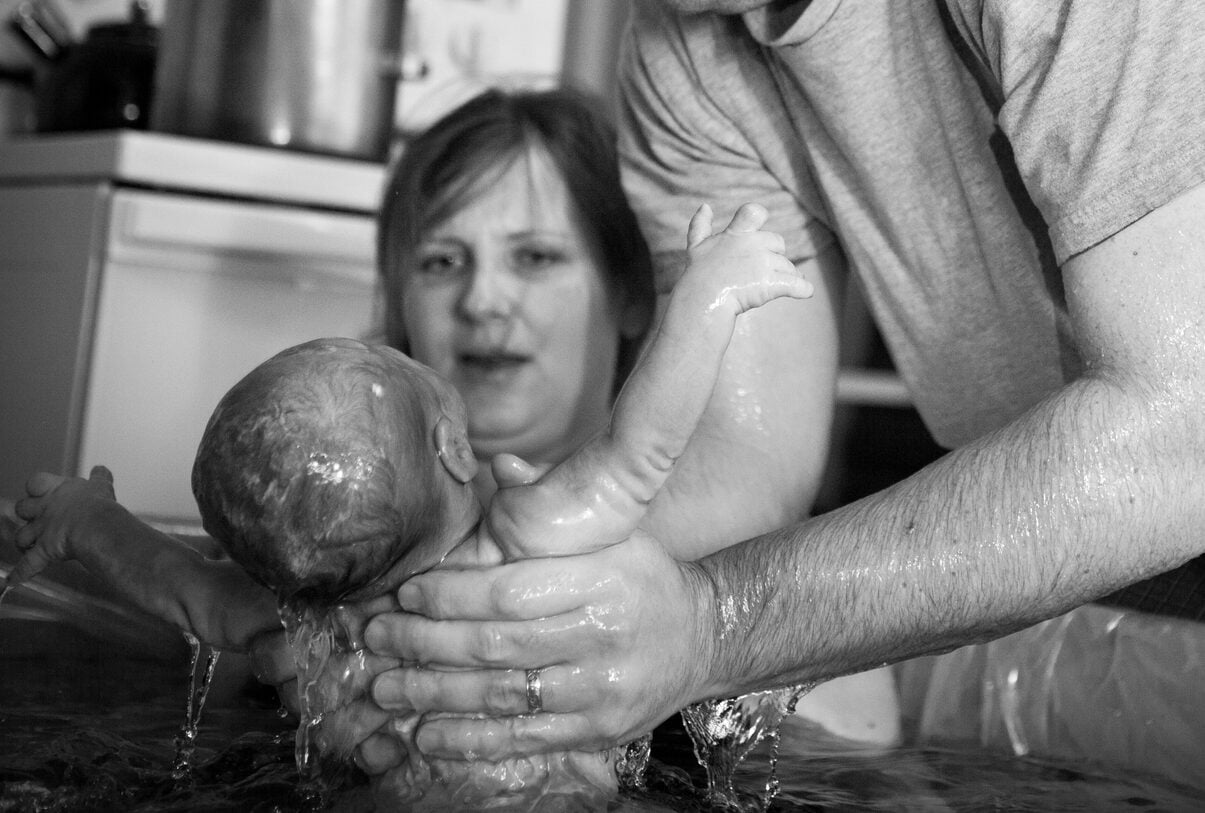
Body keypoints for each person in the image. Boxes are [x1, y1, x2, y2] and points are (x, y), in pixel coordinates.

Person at [348, 0, 1205, 793]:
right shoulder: (681, 44)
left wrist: (711, 624)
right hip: (1076, 574)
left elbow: (1181, 430)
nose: (485, 301)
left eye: (536, 257)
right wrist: (471, 634)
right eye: (440, 262)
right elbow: (746, 464)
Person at [6, 191, 807, 805]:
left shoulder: (304, 616)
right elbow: (646, 441)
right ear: (454, 447)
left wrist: (85, 518)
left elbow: (178, 583)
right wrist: (708, 297)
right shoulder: (529, 535)